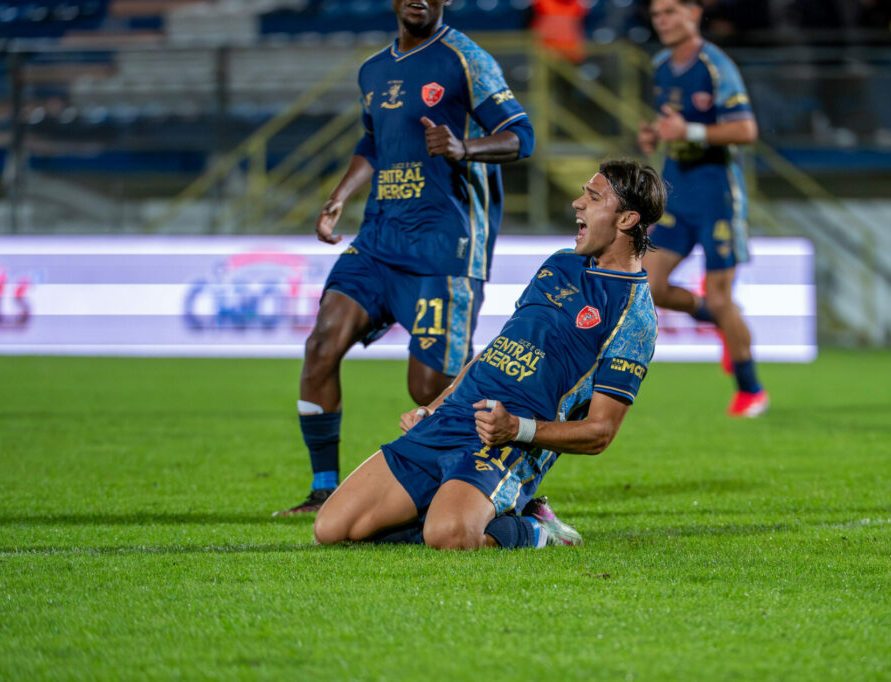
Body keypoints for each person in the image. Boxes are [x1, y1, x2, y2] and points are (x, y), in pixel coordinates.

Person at [312, 159, 664, 550]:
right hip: (452, 417)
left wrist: (516, 429)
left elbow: (600, 432)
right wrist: (433, 407)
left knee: (447, 536)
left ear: (627, 219)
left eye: (592, 197)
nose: (577, 204)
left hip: (506, 441)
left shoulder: (634, 315)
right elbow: (496, 351)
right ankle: (460, 507)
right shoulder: (561, 264)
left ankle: (535, 529)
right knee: (331, 529)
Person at [277, 0, 536, 515]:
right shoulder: (373, 69)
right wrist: (340, 195)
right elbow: (372, 142)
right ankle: (324, 488)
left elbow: (520, 136)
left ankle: (512, 481)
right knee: (321, 345)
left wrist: (464, 148)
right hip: (378, 240)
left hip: (444, 248)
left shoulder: (467, 59)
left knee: (429, 386)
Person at [637, 0, 769, 417]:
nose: (663, 21)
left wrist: (690, 130)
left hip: (717, 198)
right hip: (677, 193)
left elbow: (746, 129)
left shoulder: (715, 65)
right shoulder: (660, 65)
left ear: (694, 13)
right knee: (648, 285)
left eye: (671, 11)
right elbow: (673, 124)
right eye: (657, 14)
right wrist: (656, 135)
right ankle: (716, 315)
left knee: (720, 292)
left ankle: (751, 391)